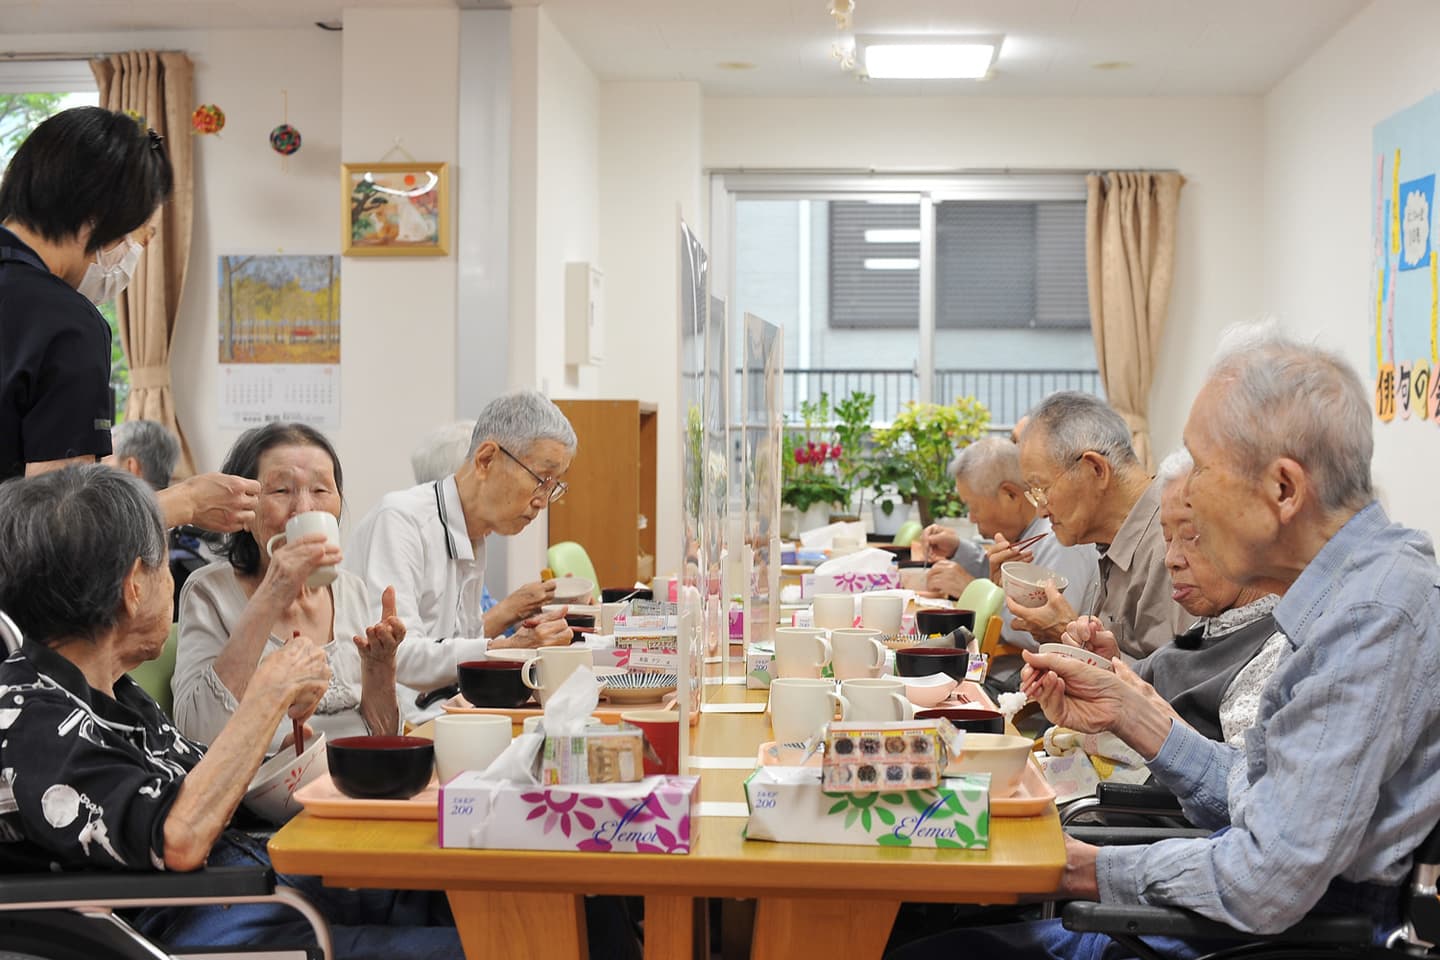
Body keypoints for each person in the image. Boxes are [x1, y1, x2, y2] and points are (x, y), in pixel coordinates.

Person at [892, 326, 1440, 959]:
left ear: (1283, 490)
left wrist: (1082, 868)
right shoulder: (1358, 586)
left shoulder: (1372, 616)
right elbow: (1259, 798)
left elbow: (1267, 879)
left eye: (1201, 468)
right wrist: (1132, 709)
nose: (1183, 493)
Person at [0, 466, 461, 959]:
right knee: (477, 946)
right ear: (134, 587)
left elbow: (205, 784)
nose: (169, 586)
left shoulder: (114, 692)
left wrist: (282, 739)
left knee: (464, 893)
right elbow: (177, 836)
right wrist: (265, 698)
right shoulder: (28, 717)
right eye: (162, 568)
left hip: (255, 883)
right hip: (196, 921)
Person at [0, 107, 258, 534]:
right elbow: (59, 529)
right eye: (138, 235)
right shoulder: (66, 325)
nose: (136, 252)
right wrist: (186, 502)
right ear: (96, 217)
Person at [173, 424, 409, 753]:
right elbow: (197, 733)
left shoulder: (351, 590)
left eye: (321, 491)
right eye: (282, 491)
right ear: (244, 509)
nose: (304, 509)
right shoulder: (210, 592)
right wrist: (272, 594)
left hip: (352, 785)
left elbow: (383, 741)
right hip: (263, 798)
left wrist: (380, 669)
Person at [348, 391, 576, 719]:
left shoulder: (474, 531)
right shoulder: (401, 520)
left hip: (444, 710)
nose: (543, 500)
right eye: (541, 479)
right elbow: (400, 656)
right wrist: (505, 648)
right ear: (486, 459)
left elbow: (460, 642)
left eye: (554, 486)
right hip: (396, 726)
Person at [1065, 447, 1284, 745]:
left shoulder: (1275, 649)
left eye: (1191, 535)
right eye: (1167, 538)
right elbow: (1155, 678)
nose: (1171, 559)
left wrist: (1140, 715)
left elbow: (1242, 780)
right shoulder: (1215, 621)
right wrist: (1109, 666)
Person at [1008, 391, 1188, 657]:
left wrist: (1068, 636)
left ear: (1096, 469)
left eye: (1042, 489)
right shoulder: (1109, 540)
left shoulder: (1172, 542)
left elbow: (1180, 689)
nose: (1041, 511)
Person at [920, 437, 1099, 651]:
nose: (971, 519)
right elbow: (994, 577)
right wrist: (958, 549)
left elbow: (1043, 634)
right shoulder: (1027, 532)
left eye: (973, 507)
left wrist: (971, 590)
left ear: (1010, 494)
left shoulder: (1060, 538)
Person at [410, 419, 558, 639]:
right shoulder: (413, 533)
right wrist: (510, 610)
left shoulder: (472, 542)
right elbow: (439, 649)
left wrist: (530, 614)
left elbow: (473, 634)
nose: (540, 502)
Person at [105, 418, 215, 614]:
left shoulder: (113, 544)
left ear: (131, 467)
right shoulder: (196, 547)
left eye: (106, 460)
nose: (97, 470)